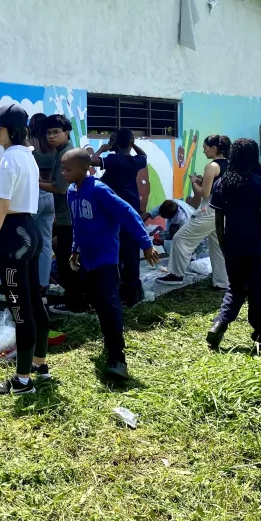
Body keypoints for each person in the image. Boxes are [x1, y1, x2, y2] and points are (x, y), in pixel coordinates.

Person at [63, 148, 159, 379]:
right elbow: (77, 223)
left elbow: (128, 213)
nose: (63, 173)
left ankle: (118, 358)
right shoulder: (71, 192)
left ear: (84, 169)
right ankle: (109, 340)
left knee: (109, 305)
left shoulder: (98, 190)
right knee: (97, 302)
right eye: (62, 168)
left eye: (67, 169)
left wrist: (146, 243)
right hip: (87, 259)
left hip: (105, 259)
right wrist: (75, 249)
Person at [0, 104, 50, 395]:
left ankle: (21, 381)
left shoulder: (9, 160)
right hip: (30, 234)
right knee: (34, 302)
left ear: (12, 130)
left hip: (14, 238)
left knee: (21, 311)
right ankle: (39, 365)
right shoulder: (27, 157)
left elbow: (2, 206)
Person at [207, 150, 261, 348]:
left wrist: (224, 243)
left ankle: (219, 324)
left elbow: (218, 219)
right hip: (258, 245)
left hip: (232, 244)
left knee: (236, 287)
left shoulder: (222, 183)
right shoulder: (260, 183)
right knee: (258, 288)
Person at [156, 135, 231, 288]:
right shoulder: (230, 165)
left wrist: (194, 182)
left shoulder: (212, 166)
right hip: (224, 211)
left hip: (209, 210)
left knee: (180, 238)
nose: (204, 151)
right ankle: (223, 282)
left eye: (205, 148)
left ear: (214, 148)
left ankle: (176, 274)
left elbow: (204, 193)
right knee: (217, 247)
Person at [91, 129, 148, 307]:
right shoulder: (135, 160)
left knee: (116, 249)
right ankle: (133, 290)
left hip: (114, 209)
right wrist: (133, 144)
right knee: (130, 251)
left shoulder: (113, 160)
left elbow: (92, 160)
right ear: (130, 143)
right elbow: (144, 155)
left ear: (115, 143)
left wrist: (102, 148)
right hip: (131, 207)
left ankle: (119, 288)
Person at [39, 114, 86, 315]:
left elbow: (59, 188)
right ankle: (78, 300)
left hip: (70, 217)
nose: (51, 136)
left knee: (68, 262)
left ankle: (75, 305)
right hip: (67, 215)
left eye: (56, 132)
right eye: (48, 133)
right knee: (67, 256)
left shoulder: (66, 154)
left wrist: (33, 181)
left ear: (66, 133)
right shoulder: (63, 152)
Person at [28, 113, 55, 294]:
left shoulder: (30, 144)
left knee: (25, 240)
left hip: (34, 197)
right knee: (45, 242)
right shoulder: (53, 146)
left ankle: (28, 283)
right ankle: (43, 285)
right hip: (51, 195)